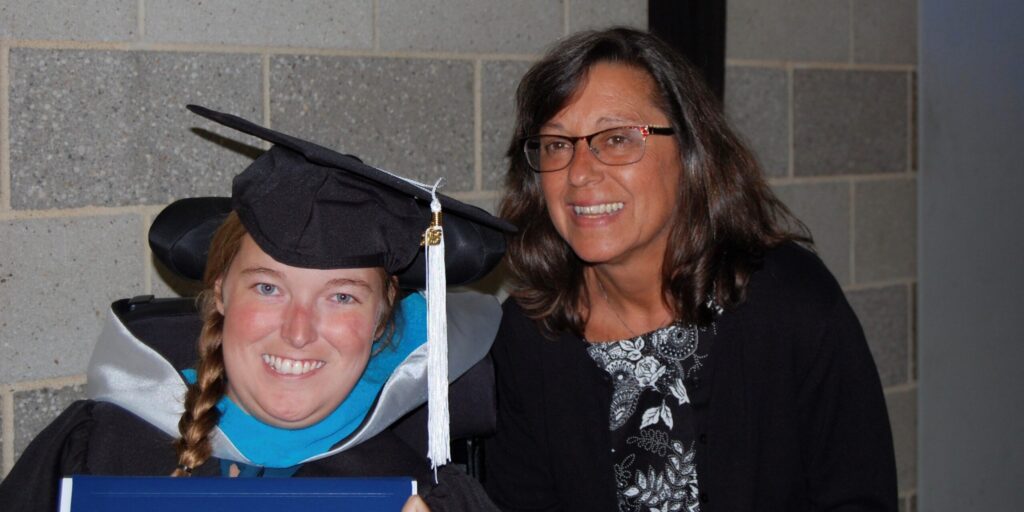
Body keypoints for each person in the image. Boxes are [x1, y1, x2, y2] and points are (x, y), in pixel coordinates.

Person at [0, 105, 513, 511]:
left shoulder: (421, 494)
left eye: (341, 297)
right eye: (268, 288)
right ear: (220, 293)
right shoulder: (96, 450)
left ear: (382, 321)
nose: (297, 331)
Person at [484, 28, 898, 511]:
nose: (579, 172)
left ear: (689, 151)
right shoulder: (529, 337)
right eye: (557, 144)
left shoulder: (791, 302)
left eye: (617, 138)